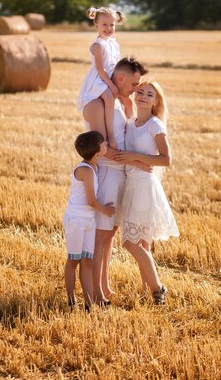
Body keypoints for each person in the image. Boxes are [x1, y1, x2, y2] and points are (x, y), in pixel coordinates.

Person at [83, 56, 148, 304]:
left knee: (110, 234)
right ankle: (97, 294)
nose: (135, 89)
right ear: (120, 78)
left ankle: (105, 286)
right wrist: (134, 161)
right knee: (101, 236)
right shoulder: (97, 105)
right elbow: (102, 149)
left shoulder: (118, 102)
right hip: (108, 173)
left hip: (120, 174)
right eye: (133, 84)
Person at [113, 81, 179, 305]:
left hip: (144, 186)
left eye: (149, 94)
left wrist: (134, 157)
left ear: (155, 102)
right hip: (132, 184)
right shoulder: (131, 123)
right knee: (143, 243)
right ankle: (147, 292)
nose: (142, 96)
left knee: (129, 243)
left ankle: (158, 288)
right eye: (140, 91)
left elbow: (166, 159)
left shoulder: (155, 125)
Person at [62, 130, 116, 310]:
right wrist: (106, 210)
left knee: (87, 261)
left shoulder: (94, 166)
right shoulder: (85, 169)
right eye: (103, 143)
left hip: (89, 221)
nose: (106, 144)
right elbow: (91, 201)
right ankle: (70, 299)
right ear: (97, 152)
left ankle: (88, 302)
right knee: (73, 260)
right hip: (76, 220)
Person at [77, 6, 126, 150]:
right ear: (96, 24)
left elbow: (116, 64)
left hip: (110, 77)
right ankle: (110, 134)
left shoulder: (113, 43)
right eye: (104, 24)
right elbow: (100, 69)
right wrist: (111, 85)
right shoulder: (98, 45)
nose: (108, 28)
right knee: (110, 98)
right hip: (99, 79)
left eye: (112, 24)